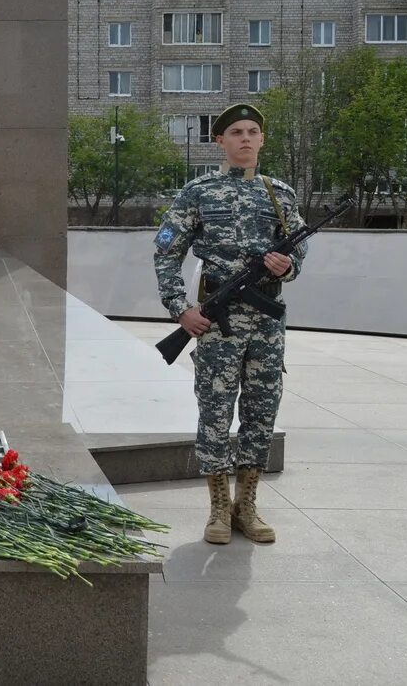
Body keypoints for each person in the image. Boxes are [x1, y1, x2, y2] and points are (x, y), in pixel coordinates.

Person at [153, 103, 307, 546]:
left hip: (267, 322)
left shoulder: (280, 193)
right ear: (219, 141)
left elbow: (299, 253)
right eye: (235, 132)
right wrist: (180, 308)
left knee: (261, 411)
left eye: (252, 131)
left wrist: (286, 267)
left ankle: (247, 506)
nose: (244, 138)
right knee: (216, 413)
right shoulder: (198, 191)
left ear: (261, 140)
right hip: (216, 321)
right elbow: (166, 251)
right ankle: (219, 509)